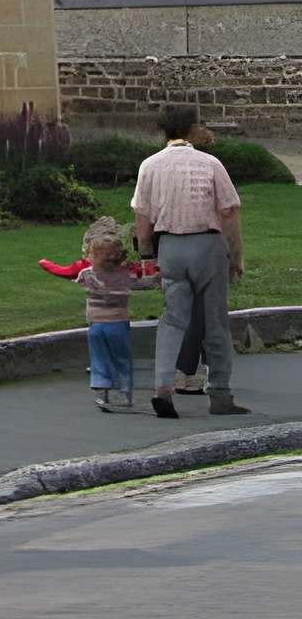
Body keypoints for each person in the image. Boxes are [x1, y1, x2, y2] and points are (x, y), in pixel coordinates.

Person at [131, 104, 249, 418]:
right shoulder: (210, 163)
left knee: (172, 319)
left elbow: (142, 218)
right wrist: (236, 256)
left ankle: (163, 389)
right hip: (207, 244)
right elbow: (229, 213)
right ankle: (220, 393)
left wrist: (146, 253)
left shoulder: (150, 165)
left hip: (170, 245)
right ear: (193, 129)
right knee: (215, 320)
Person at [38, 218, 158, 413]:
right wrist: (156, 276)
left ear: (93, 256)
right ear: (120, 256)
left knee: (99, 358)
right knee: (122, 357)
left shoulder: (87, 274)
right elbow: (145, 283)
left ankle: (102, 391)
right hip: (118, 323)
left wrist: (45, 264)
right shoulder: (125, 275)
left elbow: (72, 276)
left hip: (96, 325)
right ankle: (125, 391)